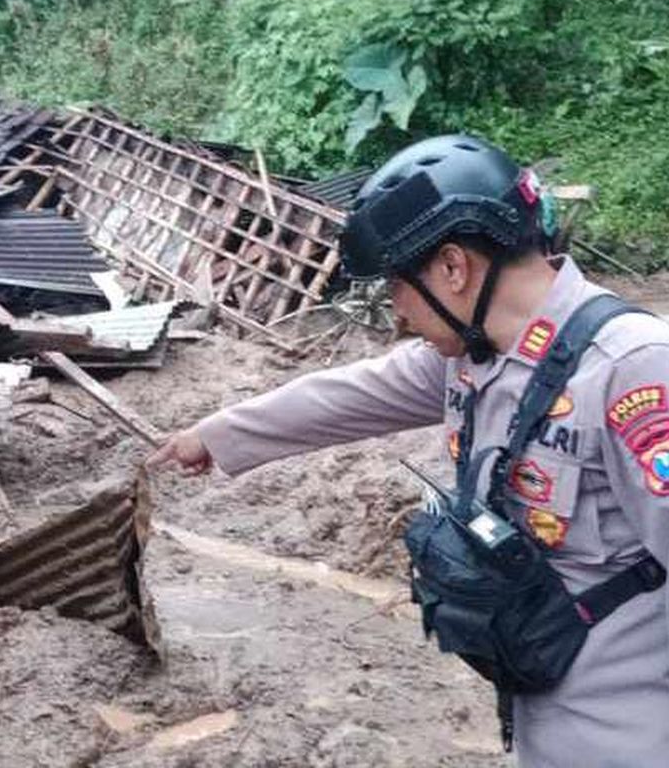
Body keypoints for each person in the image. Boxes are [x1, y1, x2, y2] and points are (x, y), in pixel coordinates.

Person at [146, 134, 669, 767]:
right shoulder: (476, 356)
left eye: (397, 285)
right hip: (543, 701)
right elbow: (348, 396)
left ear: (453, 269)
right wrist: (218, 435)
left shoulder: (632, 369)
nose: (395, 311)